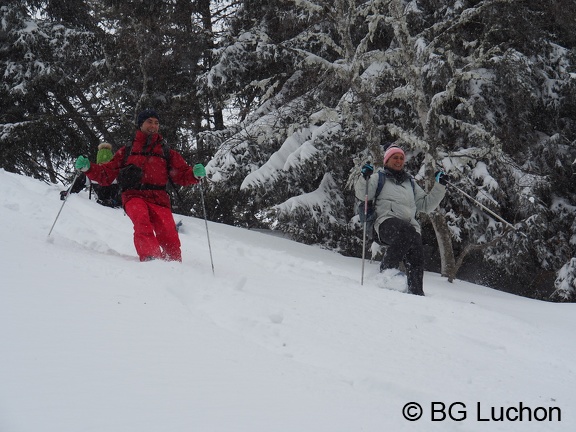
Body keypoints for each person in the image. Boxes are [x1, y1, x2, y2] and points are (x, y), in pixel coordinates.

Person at [75, 109, 206, 262]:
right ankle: (152, 259)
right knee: (142, 220)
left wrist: (194, 174)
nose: (153, 126)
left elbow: (182, 174)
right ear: (140, 124)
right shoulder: (127, 151)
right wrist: (89, 168)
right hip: (133, 195)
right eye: (149, 122)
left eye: (156, 123)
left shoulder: (166, 152)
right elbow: (107, 174)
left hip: (159, 198)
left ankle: (174, 263)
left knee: (168, 230)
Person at [355, 144, 449, 295]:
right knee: (407, 231)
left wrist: (440, 186)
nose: (398, 161)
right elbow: (362, 194)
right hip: (385, 223)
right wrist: (364, 177)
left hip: (409, 228)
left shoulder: (410, 183)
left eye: (401, 158)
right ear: (386, 160)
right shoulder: (379, 177)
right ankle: (386, 271)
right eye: (395, 158)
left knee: (417, 254)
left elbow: (425, 205)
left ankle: (416, 292)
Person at [92, 142, 121, 208]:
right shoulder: (93, 173)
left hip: (116, 209)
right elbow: (79, 182)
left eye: (107, 165)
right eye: (101, 164)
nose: (104, 167)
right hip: (99, 210)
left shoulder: (118, 174)